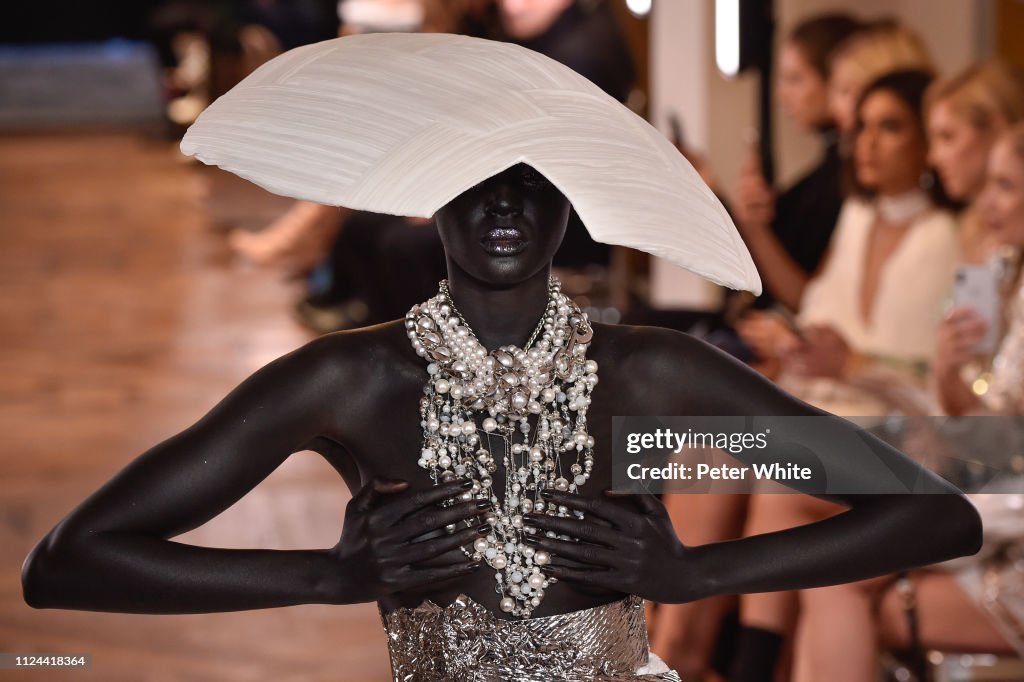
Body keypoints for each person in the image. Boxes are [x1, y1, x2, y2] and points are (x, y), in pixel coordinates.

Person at [22, 33, 982, 681]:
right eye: (475, 181)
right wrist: (322, 576)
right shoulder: (353, 382)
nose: (505, 207)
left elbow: (930, 517)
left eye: (533, 181)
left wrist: (700, 577)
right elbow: (69, 564)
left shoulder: (648, 374)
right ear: (430, 197)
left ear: (574, 200)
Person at [728, 69, 962, 682]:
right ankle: (687, 650)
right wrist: (796, 343)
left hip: (904, 431)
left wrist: (850, 363)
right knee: (705, 450)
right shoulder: (856, 218)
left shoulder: (948, 238)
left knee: (769, 471)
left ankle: (737, 662)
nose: (869, 143)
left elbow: (934, 376)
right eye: (863, 128)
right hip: (836, 411)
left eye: (891, 127)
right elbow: (817, 314)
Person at [791, 120, 1024, 682]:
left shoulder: (964, 253)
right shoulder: (1006, 275)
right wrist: (950, 376)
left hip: (1007, 532)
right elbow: (991, 424)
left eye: (1008, 185)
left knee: (835, 573)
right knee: (817, 555)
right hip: (988, 500)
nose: (988, 202)